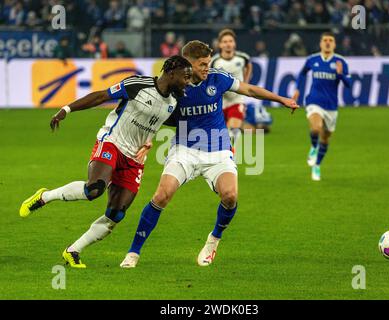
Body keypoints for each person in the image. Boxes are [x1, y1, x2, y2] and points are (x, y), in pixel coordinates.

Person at [120, 40, 299, 268]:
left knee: (230, 196)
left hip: (218, 150)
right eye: (203, 64)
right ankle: (133, 252)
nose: (207, 68)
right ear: (188, 64)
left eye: (209, 63)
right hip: (184, 150)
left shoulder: (217, 78)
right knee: (161, 195)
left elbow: (250, 90)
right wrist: (146, 140)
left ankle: (213, 241)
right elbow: (156, 114)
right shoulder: (175, 87)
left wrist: (281, 99)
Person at [19, 56, 193, 268]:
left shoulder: (175, 101)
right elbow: (101, 96)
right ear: (171, 71)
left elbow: (161, 123)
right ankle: (45, 196)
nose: (188, 82)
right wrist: (66, 110)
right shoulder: (137, 84)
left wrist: (149, 142)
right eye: (186, 77)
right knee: (94, 190)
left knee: (116, 213)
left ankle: (73, 251)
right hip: (112, 142)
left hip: (134, 159)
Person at [293, 32, 352, 181]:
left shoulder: (340, 62)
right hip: (314, 101)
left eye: (330, 40)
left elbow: (349, 84)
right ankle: (313, 147)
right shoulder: (312, 59)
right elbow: (302, 74)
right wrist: (298, 90)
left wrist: (340, 74)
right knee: (315, 128)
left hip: (331, 106)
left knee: (325, 139)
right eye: (325, 40)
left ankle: (317, 165)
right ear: (320, 43)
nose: (327, 43)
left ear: (334, 44)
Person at [210, 29, 253, 153]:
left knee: (234, 127)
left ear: (234, 43)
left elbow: (249, 65)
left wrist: (245, 82)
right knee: (220, 132)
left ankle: (230, 153)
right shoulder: (215, 61)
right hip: (221, 100)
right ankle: (225, 152)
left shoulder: (242, 58)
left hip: (237, 99)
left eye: (230, 41)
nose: (228, 44)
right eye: (224, 42)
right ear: (220, 45)